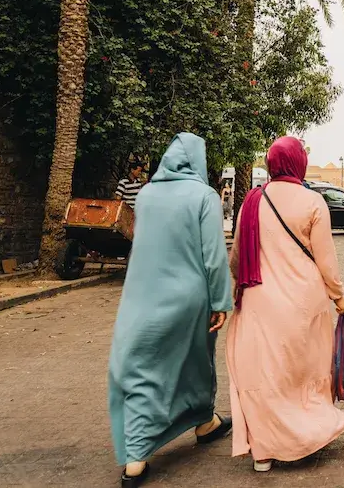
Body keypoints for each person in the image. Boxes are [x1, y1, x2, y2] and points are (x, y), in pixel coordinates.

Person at [108, 133, 233, 487]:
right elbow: (213, 255)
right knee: (195, 361)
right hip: (188, 299)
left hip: (141, 297)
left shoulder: (145, 195)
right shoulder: (203, 196)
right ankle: (203, 423)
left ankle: (137, 458)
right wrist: (221, 300)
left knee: (139, 367)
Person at [226, 136, 344, 474]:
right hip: (303, 302)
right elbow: (326, 261)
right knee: (304, 372)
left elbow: (236, 256)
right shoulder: (312, 201)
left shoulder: (252, 201)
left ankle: (264, 451)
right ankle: (306, 434)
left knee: (265, 375)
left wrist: (236, 289)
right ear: (299, 163)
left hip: (258, 300)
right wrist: (338, 296)